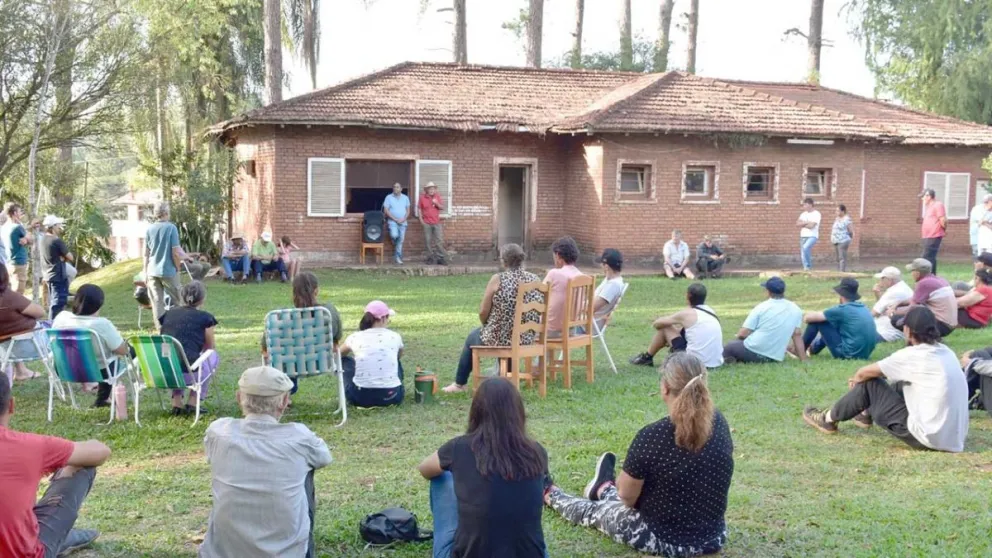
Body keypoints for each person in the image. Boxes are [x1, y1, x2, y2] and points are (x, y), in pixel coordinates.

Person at [545, 353, 733, 557]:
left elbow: (626, 497)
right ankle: (603, 487)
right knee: (624, 500)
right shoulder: (719, 422)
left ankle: (548, 492)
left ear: (665, 387)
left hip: (663, 537)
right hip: (712, 537)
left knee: (594, 511)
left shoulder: (653, 436)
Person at [199, 366, 332, 558]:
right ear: (284, 402)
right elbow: (324, 457)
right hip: (286, 554)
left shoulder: (218, 431)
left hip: (220, 553)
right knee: (306, 468)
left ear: (239, 398)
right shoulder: (299, 437)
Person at [803, 306, 969, 453]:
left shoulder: (912, 355)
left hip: (927, 437)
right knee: (898, 384)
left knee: (870, 383)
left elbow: (863, 374)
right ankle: (864, 414)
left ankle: (827, 419)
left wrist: (857, 383)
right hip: (953, 437)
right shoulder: (946, 352)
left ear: (908, 331)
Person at [418, 377, 549, 558]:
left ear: (476, 412)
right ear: (518, 412)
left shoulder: (459, 447)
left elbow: (424, 469)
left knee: (442, 476)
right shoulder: (537, 451)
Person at [0, 371, 112, 557]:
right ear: (11, 405)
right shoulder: (30, 446)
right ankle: (59, 538)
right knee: (79, 465)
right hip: (24, 553)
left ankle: (58, 537)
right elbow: (101, 452)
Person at [443, 244, 541, 393]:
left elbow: (483, 312)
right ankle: (506, 377)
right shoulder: (535, 279)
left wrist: (487, 325)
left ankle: (459, 384)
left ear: (504, 261)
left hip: (502, 336)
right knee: (504, 334)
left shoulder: (498, 279)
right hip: (526, 337)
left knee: (473, 336)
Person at [262, 272, 343, 397]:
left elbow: (266, 348)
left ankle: (284, 391)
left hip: (288, 366)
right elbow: (337, 337)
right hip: (321, 362)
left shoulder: (279, 317)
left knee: (282, 352)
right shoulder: (328, 312)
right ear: (316, 291)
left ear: (293, 293)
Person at [52, 285, 131, 408]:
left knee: (104, 358)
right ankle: (103, 398)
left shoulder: (61, 318)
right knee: (126, 352)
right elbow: (122, 350)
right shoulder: (101, 324)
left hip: (65, 369)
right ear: (99, 304)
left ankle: (103, 399)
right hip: (98, 373)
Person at [159, 281, 220, 416]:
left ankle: (176, 402)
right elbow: (209, 347)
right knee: (212, 356)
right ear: (202, 299)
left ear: (182, 296)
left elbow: (164, 340)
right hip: (189, 374)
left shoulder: (167, 315)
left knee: (174, 355)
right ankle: (193, 402)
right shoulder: (206, 318)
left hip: (165, 372)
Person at [629, 283, 724, 369]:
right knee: (674, 330)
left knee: (665, 328)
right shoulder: (711, 311)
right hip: (715, 363)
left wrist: (661, 323)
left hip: (693, 364)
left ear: (688, 295)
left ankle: (647, 357)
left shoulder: (686, 313)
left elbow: (657, 324)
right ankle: (648, 357)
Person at [723, 277, 806, 364]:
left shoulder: (762, 307)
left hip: (755, 351)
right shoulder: (796, 309)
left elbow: (742, 334)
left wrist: (738, 340)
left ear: (768, 291)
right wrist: (804, 359)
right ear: (783, 291)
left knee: (730, 347)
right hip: (775, 357)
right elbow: (797, 335)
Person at [340, 301, 405, 407]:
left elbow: (339, 354)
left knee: (344, 360)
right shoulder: (395, 336)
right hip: (394, 397)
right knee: (395, 360)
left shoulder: (355, 337)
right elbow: (399, 355)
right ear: (383, 318)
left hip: (361, 398)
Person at [802, 278, 877, 359]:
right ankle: (812, 349)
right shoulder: (863, 307)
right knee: (830, 323)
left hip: (848, 354)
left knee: (818, 322)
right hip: (865, 354)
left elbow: (807, 319)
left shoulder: (842, 309)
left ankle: (799, 350)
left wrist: (812, 314)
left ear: (841, 294)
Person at [0, 265, 47, 381]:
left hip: (5, 351)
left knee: (14, 335)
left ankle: (21, 371)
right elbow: (40, 312)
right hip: (32, 346)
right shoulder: (9, 297)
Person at [889, 258, 957, 337]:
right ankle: (930, 339)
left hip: (941, 325)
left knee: (895, 319)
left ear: (917, 273)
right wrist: (898, 303)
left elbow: (912, 309)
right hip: (950, 324)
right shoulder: (939, 280)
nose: (911, 274)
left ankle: (921, 340)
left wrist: (892, 313)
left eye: (912, 271)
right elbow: (914, 299)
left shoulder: (923, 283)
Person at [144, 201, 183, 325]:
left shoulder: (149, 229)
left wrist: (145, 272)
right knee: (177, 301)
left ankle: (161, 329)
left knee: (157, 302)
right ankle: (177, 326)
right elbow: (175, 252)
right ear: (166, 212)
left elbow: (146, 254)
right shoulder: (171, 228)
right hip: (168, 270)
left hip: (152, 271)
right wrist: (177, 267)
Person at [544, 236, 584, 338]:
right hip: (571, 329)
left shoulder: (554, 274)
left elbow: (539, 294)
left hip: (551, 330)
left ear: (558, 255)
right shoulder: (582, 277)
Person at [40, 215, 74, 320]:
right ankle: (53, 324)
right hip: (58, 275)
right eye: (58, 225)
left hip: (48, 275)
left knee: (55, 301)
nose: (60, 227)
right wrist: (63, 258)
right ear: (53, 226)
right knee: (57, 303)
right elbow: (70, 257)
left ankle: (55, 322)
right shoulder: (56, 241)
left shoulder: (43, 239)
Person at [871, 267, 914, 343]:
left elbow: (874, 313)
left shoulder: (893, 292)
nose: (880, 280)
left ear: (890, 280)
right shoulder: (903, 287)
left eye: (882, 278)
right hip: (899, 329)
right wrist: (877, 293)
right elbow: (883, 306)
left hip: (886, 332)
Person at [2, 203, 33, 294]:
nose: (21, 214)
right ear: (15, 213)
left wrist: (25, 239)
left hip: (8, 263)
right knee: (18, 292)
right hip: (18, 263)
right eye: (19, 211)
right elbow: (32, 240)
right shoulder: (17, 227)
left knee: (9, 292)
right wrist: (27, 238)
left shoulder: (3, 227)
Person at [593, 248, 624, 330]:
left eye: (601, 264)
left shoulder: (613, 285)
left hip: (589, 325)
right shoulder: (610, 280)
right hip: (588, 321)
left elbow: (591, 308)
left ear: (606, 267)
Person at [418, 181, 448, 265]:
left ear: (435, 190)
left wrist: (436, 203)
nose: (431, 190)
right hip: (427, 223)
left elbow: (442, 207)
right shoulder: (422, 198)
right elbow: (419, 209)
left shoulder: (437, 196)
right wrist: (421, 220)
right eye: (430, 189)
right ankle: (430, 258)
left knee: (439, 241)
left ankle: (440, 258)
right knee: (428, 241)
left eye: (433, 189)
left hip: (436, 222)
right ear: (427, 190)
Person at [920, 188, 947, 275]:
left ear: (928, 196)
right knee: (931, 257)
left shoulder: (938, 205)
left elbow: (943, 220)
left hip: (934, 235)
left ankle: (928, 276)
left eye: (923, 197)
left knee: (926, 257)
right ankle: (933, 276)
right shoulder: (929, 207)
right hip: (927, 236)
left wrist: (943, 230)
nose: (922, 199)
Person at [383, 182, 411, 264]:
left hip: (403, 222)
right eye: (394, 187)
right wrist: (394, 219)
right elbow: (386, 210)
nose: (395, 188)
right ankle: (395, 244)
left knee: (401, 240)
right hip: (392, 221)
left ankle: (398, 257)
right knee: (394, 235)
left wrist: (404, 219)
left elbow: (408, 211)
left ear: (401, 189)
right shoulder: (388, 197)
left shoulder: (405, 198)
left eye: (397, 187)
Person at [797, 197, 821, 271]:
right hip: (803, 235)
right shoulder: (803, 214)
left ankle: (808, 266)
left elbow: (812, 226)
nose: (804, 206)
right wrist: (807, 222)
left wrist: (803, 224)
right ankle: (806, 268)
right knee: (803, 253)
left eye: (805, 205)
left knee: (806, 247)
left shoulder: (816, 214)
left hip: (812, 235)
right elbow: (797, 224)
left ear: (810, 205)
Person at [830, 204, 853, 272]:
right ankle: (838, 272)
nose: (836, 212)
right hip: (836, 240)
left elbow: (850, 230)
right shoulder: (837, 219)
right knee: (837, 258)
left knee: (842, 257)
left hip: (843, 241)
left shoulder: (847, 219)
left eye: (838, 211)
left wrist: (849, 238)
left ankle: (842, 272)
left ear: (843, 211)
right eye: (836, 211)